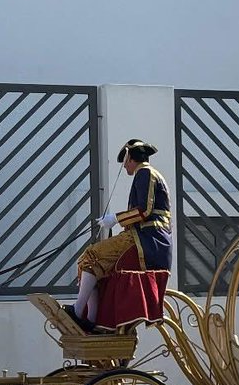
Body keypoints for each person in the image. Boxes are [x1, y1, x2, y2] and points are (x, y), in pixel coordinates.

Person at [66, 138, 171, 332]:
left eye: (125, 161)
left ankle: (81, 311)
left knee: (90, 256)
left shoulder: (145, 173)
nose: (124, 167)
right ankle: (91, 319)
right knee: (93, 261)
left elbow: (144, 211)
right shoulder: (149, 174)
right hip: (150, 239)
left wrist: (115, 218)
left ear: (131, 157)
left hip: (147, 240)